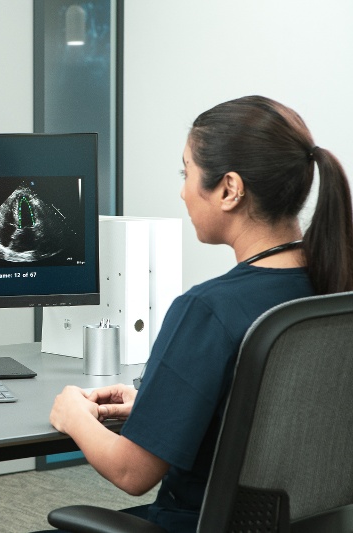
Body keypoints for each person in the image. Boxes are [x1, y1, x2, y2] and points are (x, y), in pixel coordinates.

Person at [44, 95, 353, 533]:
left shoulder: (208, 309)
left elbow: (132, 473)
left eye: (186, 172)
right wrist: (163, 406)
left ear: (229, 189)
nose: (183, 190)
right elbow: (285, 412)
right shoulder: (335, 290)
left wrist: (73, 416)